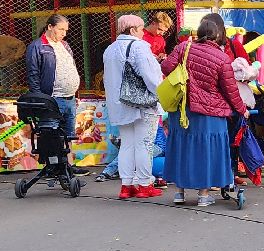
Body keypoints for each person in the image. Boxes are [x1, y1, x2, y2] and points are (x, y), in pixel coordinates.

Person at [160, 13, 247, 207]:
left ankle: (179, 193)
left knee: (182, 148)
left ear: (198, 33)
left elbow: (166, 67)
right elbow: (230, 90)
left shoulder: (184, 47)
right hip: (210, 113)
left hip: (182, 108)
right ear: (217, 36)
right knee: (206, 151)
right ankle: (203, 195)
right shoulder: (221, 58)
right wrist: (242, 109)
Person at [102, 14, 165, 199]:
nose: (143, 33)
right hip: (142, 104)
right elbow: (151, 77)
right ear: (132, 30)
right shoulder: (139, 47)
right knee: (144, 144)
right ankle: (145, 184)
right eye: (140, 29)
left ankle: (126, 185)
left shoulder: (110, 49)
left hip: (119, 105)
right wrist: (162, 96)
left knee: (127, 144)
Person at [24, 14, 81, 140]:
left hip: (70, 100)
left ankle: (69, 160)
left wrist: (75, 94)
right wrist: (41, 100)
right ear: (50, 27)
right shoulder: (37, 46)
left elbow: (72, 68)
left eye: (66, 30)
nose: (64, 33)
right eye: (61, 29)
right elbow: (33, 75)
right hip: (52, 100)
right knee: (50, 138)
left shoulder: (65, 45)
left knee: (69, 137)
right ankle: (48, 160)